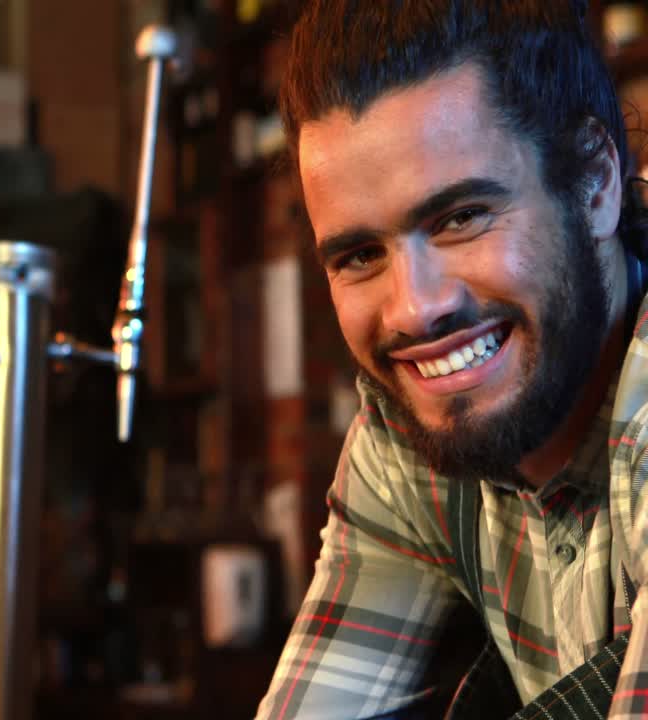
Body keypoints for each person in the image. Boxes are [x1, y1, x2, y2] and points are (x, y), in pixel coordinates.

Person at [255, 1, 648, 718]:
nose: (414, 310)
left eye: (460, 217)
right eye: (360, 255)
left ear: (595, 183)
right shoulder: (406, 441)